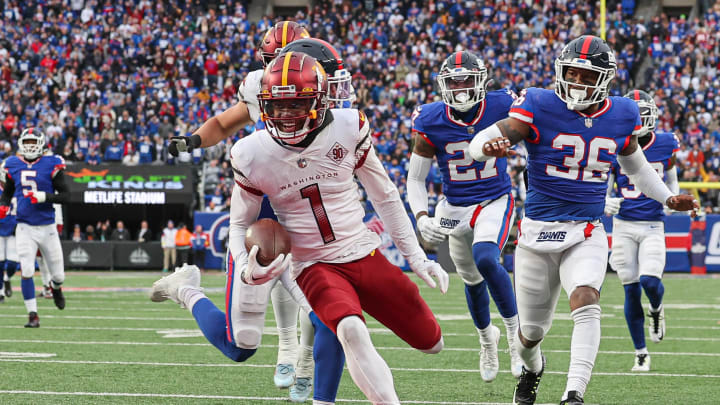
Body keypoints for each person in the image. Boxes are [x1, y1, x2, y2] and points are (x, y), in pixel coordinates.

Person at [468, 35, 698, 405]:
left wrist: (668, 197)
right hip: (536, 235)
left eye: (586, 75)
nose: (577, 81)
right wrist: (485, 148)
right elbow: (481, 141)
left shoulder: (622, 113)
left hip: (586, 230)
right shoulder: (539, 104)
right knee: (529, 335)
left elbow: (637, 170)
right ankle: (532, 369)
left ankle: (573, 394)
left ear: (604, 80)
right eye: (572, 73)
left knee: (586, 298)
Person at [229, 52, 448, 403]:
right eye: (277, 106)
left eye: (296, 104)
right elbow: (238, 223)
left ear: (318, 101)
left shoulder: (347, 127)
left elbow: (386, 196)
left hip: (362, 250)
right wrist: (245, 266)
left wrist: (416, 257)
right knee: (350, 329)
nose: (285, 116)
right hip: (312, 265)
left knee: (432, 342)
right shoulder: (251, 153)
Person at [165, 29, 352, 404]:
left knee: (331, 316)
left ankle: (301, 364)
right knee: (241, 345)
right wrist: (193, 140)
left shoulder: (330, 87)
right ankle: (184, 289)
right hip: (262, 211)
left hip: (311, 210)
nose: (287, 78)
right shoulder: (256, 94)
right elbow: (222, 123)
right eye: (278, 66)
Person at [407, 50, 521, 382]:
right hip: (454, 205)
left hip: (494, 198)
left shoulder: (502, 105)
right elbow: (416, 177)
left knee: (486, 258)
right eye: (452, 83)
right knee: (470, 280)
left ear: (480, 82)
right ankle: (488, 340)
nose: (459, 90)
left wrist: (514, 145)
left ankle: (515, 336)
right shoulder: (430, 119)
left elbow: (532, 134)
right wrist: (421, 215)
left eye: (466, 82)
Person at [605, 90, 678, 372]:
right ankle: (641, 352)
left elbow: (672, 176)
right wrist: (604, 201)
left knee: (650, 281)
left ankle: (657, 310)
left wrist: (674, 196)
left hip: (652, 224)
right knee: (631, 290)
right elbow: (604, 181)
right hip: (623, 224)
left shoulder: (665, 143)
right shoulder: (613, 142)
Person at [0, 128, 71, 327]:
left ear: (41, 143)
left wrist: (44, 197)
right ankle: (33, 315)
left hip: (47, 226)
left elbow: (67, 196)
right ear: (21, 144)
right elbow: (8, 191)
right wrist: (4, 205)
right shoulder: (12, 164)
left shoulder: (52, 163)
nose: (30, 146)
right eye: (27, 142)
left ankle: (56, 288)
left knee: (58, 275)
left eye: (34, 142)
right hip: (24, 226)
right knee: (27, 270)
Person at [0, 185, 18, 303]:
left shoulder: (17, 187)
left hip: (13, 229)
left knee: (13, 263)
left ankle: (7, 278)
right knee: (0, 263)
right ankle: (0, 291)